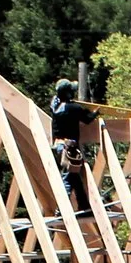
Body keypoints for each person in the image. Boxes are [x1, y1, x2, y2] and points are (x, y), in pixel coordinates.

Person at [47, 78, 95, 210]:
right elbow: (88, 119)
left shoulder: (55, 107)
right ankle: (61, 209)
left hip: (58, 146)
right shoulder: (73, 108)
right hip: (69, 148)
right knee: (68, 177)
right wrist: (96, 112)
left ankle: (84, 206)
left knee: (75, 176)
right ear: (68, 93)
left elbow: (55, 101)